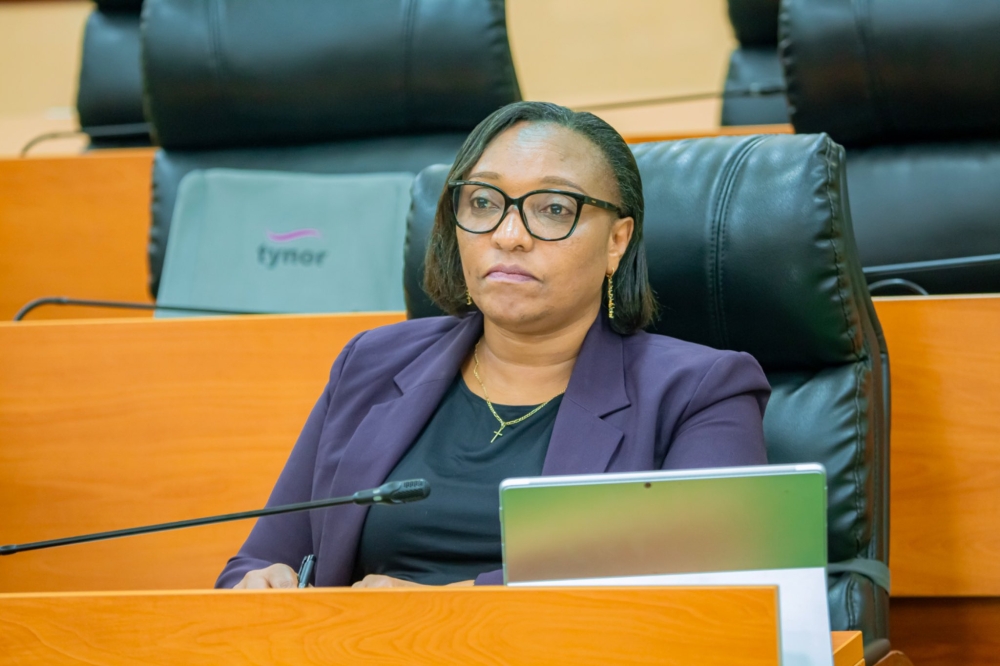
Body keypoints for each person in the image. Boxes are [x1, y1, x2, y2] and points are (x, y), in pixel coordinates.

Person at [217, 101, 770, 590]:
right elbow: (262, 557)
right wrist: (259, 583)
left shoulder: (700, 391)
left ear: (616, 242)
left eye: (553, 208)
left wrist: (444, 608)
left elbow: (705, 581)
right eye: (483, 203)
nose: (509, 235)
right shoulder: (372, 363)